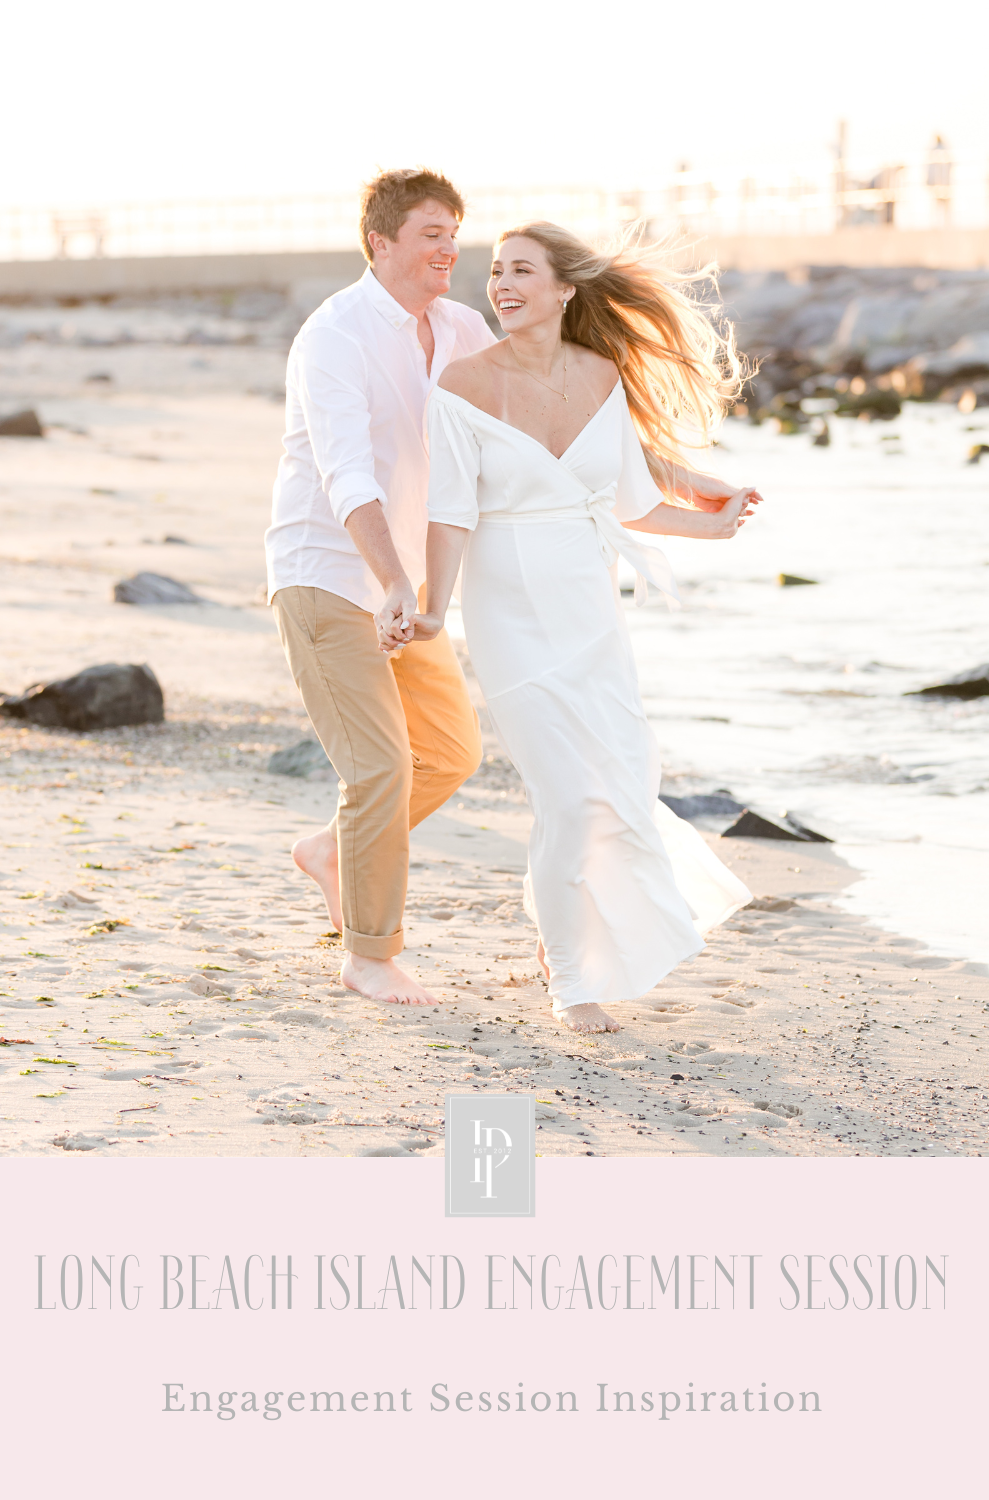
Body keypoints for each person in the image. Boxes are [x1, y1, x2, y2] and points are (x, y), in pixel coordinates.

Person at [382, 222, 760, 1033]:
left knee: (621, 777)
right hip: (508, 613)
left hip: (591, 609)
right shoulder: (462, 385)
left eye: (522, 270)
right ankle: (571, 981)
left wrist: (714, 522)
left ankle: (568, 943)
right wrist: (431, 611)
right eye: (495, 273)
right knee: (567, 794)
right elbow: (450, 512)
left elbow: (632, 499)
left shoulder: (600, 373)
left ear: (565, 289)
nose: (502, 284)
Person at [265, 168, 496, 1004]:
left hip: (405, 589)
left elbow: (519, 423)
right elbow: (345, 475)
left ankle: (332, 852)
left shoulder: (464, 327)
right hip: (328, 577)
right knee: (382, 767)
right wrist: (397, 582)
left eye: (455, 232)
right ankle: (368, 954)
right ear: (382, 242)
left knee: (453, 752)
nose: (450, 248)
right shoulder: (336, 335)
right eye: (432, 233)